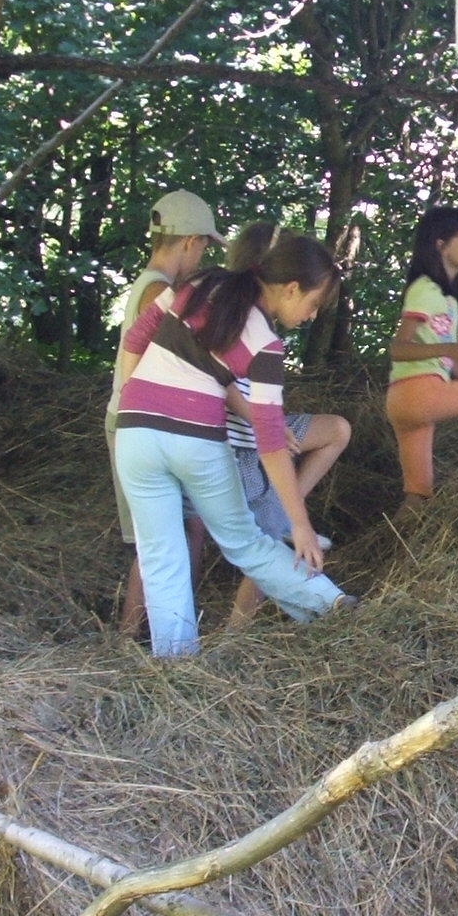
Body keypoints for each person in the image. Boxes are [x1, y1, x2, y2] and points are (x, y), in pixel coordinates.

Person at [113, 230, 349, 657]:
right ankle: (333, 604)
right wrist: (299, 524)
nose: (312, 315)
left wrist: (135, 399)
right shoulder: (266, 344)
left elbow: (135, 339)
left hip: (135, 434)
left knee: (161, 555)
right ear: (292, 288)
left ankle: (175, 663)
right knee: (245, 542)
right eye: (314, 303)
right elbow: (271, 441)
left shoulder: (201, 284)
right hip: (196, 441)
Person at [217, 223, 353, 625]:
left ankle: (285, 504)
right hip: (239, 442)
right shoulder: (236, 317)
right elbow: (220, 381)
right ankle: (236, 630)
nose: (312, 314)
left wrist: (273, 423)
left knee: (337, 429)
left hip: (260, 429)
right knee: (264, 541)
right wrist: (266, 424)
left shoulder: (264, 321)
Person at [107, 191, 225, 635]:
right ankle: (134, 633)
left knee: (185, 528)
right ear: (190, 241)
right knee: (161, 537)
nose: (203, 256)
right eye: (205, 247)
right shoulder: (160, 291)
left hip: (150, 423)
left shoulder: (149, 283)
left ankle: (169, 626)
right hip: (144, 423)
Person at [384, 206, 458, 507]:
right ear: (441, 246)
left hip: (406, 400)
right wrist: (448, 349)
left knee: (417, 495)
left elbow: (448, 361)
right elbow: (398, 349)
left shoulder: (447, 298)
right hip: (419, 392)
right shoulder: (425, 289)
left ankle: (389, 552)